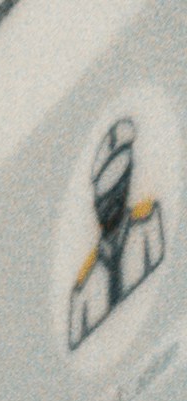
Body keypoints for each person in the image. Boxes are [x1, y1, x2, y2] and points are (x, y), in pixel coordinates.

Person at [70, 112, 167, 351]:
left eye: (117, 191)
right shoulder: (82, 287)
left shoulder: (148, 226)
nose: (109, 206)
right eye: (104, 199)